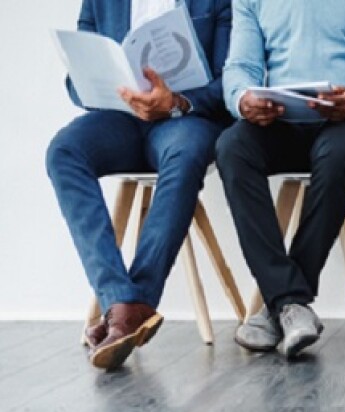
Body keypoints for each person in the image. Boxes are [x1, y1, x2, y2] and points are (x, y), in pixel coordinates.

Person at [217, 0, 345, 358]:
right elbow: (241, 67)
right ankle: (291, 303)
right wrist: (243, 99)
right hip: (282, 122)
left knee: (334, 154)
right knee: (231, 146)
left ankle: (283, 303)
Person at [46, 0, 233, 370]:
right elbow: (76, 79)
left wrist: (178, 101)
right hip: (122, 117)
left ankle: (131, 308)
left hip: (185, 117)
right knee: (63, 151)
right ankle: (122, 301)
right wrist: (104, 87)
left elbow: (232, 77)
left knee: (185, 154)